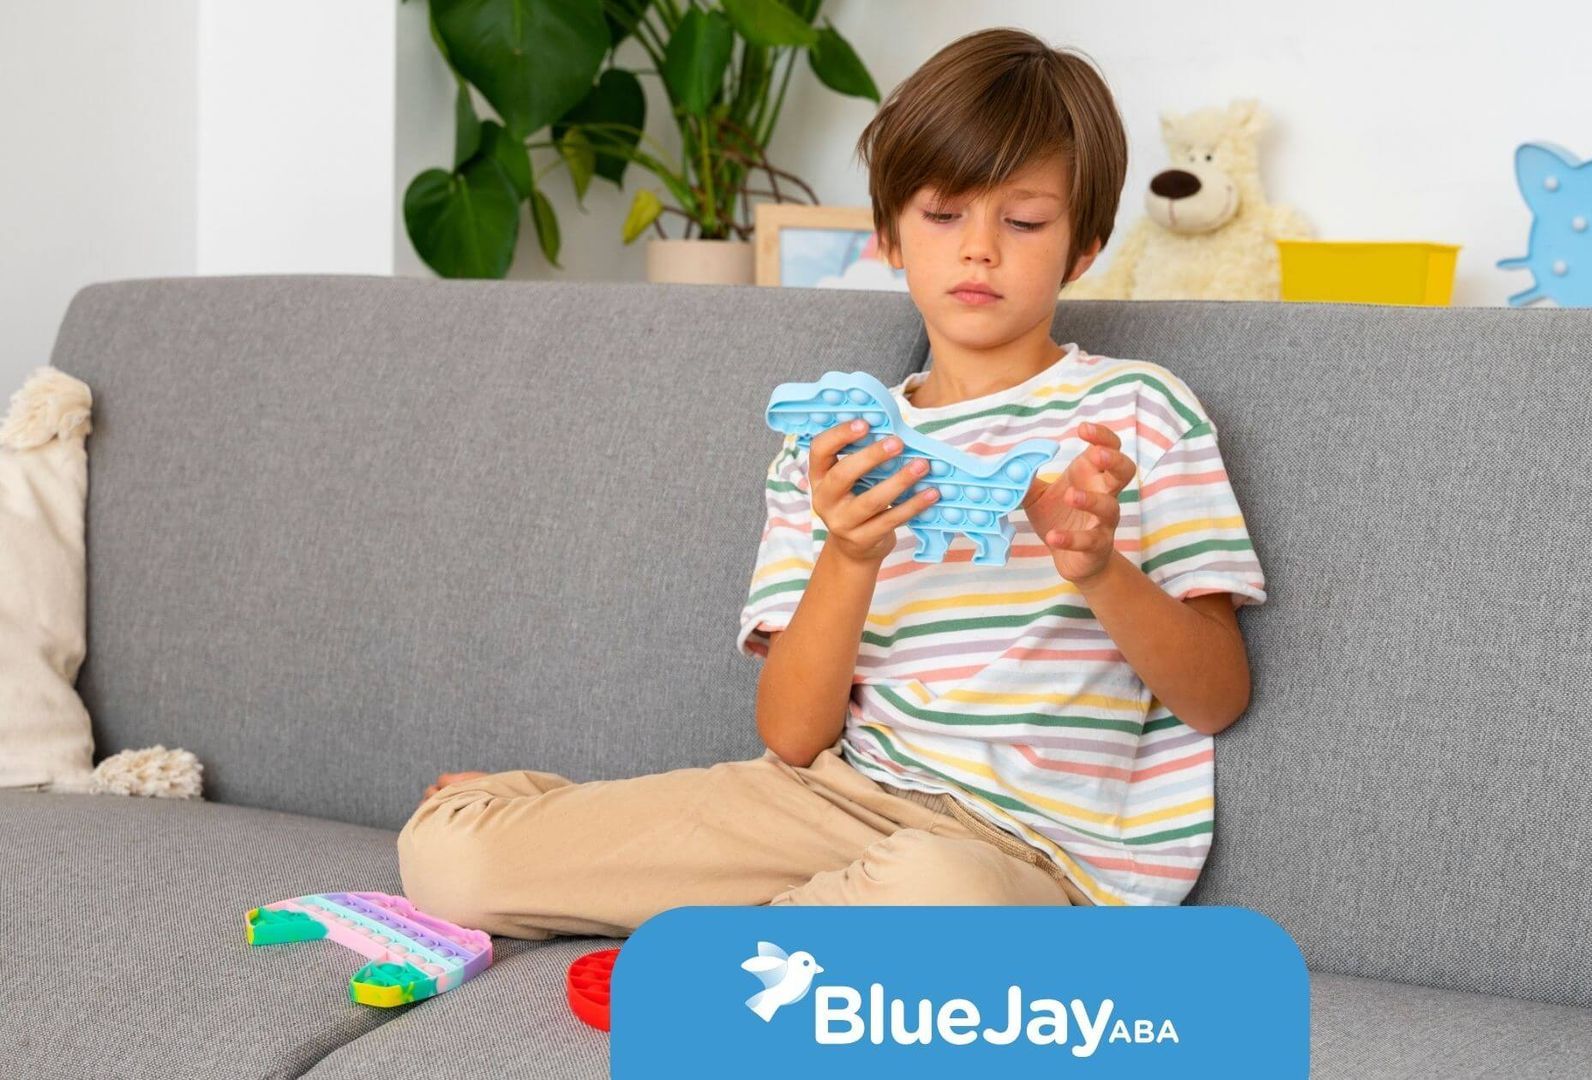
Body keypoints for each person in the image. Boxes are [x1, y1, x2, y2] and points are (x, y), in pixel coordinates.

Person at [397, 26, 1266, 939]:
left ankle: (718, 943)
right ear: (889, 235)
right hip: (832, 804)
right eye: (943, 214)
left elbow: (1217, 697)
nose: (979, 249)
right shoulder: (834, 447)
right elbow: (791, 738)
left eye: (1023, 222)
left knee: (933, 891)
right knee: (450, 859)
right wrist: (850, 555)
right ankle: (649, 876)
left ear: (1082, 247)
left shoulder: (1139, 412)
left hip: (1028, 858)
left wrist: (1097, 570)